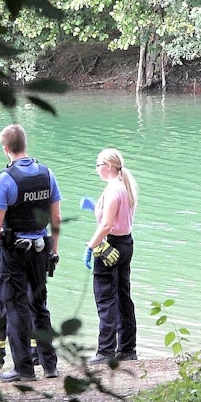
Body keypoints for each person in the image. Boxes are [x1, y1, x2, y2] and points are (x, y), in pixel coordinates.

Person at [0, 124, 61, 382]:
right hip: (40, 250)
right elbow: (55, 217)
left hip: (14, 253)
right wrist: (53, 250)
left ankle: (23, 369)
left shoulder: (4, 179)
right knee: (39, 306)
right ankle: (50, 365)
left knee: (16, 309)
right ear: (25, 143)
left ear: (5, 149)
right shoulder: (47, 174)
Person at [83, 148, 138, 364]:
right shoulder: (125, 187)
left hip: (110, 246)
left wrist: (90, 246)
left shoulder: (113, 190)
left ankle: (105, 351)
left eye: (98, 165)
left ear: (107, 166)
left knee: (106, 297)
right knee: (123, 296)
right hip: (126, 243)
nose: (96, 169)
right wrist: (94, 208)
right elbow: (116, 220)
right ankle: (127, 348)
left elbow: (107, 225)